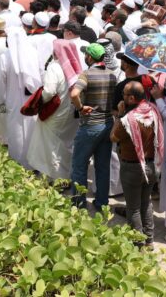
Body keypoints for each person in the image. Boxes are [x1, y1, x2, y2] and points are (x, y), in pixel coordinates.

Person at [110, 81, 163, 248]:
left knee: (133, 208)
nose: (122, 97)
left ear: (131, 98)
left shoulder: (128, 119)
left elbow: (113, 137)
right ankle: (149, 240)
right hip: (151, 165)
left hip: (132, 168)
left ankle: (137, 244)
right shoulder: (153, 110)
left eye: (124, 95)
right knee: (145, 203)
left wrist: (119, 114)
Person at [69, 43, 118, 211]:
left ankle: (78, 203)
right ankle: (102, 202)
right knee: (103, 167)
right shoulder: (112, 75)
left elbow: (74, 94)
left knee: (79, 165)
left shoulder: (87, 74)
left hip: (90, 125)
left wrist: (81, 107)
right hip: (107, 125)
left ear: (90, 57)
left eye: (86, 55)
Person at [26, 39, 82, 180]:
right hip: (70, 112)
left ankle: (56, 178)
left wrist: (40, 102)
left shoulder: (55, 67)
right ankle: (66, 176)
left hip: (55, 113)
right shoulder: (76, 68)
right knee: (66, 144)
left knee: (51, 145)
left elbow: (49, 91)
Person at [0, 27, 42, 169]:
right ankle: (32, 165)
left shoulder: (5, 57)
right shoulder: (33, 53)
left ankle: (18, 165)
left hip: (13, 101)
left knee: (16, 133)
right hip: (32, 101)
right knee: (31, 131)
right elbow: (41, 75)